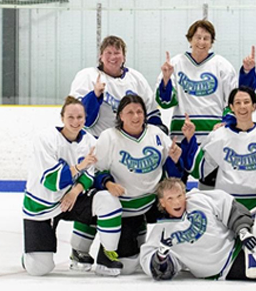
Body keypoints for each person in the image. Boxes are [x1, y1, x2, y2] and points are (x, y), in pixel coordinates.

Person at [69, 94, 192, 275]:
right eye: (130, 112)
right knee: (126, 266)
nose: (136, 117)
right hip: (122, 208)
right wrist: (108, 183)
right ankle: (83, 245)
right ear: (120, 116)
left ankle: (180, 251)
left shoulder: (156, 134)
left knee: (183, 209)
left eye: (139, 112)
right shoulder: (109, 137)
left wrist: (176, 158)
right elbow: (95, 171)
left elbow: (174, 174)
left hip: (151, 203)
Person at [22, 96, 123, 276]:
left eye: (80, 117)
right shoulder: (45, 139)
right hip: (41, 206)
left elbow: (90, 175)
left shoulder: (90, 141)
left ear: (85, 118)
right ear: (62, 118)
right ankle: (29, 256)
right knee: (40, 268)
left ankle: (102, 256)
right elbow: (52, 182)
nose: (75, 122)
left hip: (71, 200)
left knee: (107, 200)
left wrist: (75, 191)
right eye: (70, 117)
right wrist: (80, 166)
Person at [155, 19, 237, 186]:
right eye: (197, 37)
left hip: (211, 138)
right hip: (181, 136)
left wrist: (226, 123)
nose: (201, 42)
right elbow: (164, 102)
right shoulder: (175, 64)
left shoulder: (222, 66)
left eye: (206, 38)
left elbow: (234, 102)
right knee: (175, 186)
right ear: (190, 39)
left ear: (211, 42)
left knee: (211, 189)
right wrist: (166, 78)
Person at [183, 86, 256, 210]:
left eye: (246, 102)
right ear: (231, 107)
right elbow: (198, 170)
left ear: (254, 106)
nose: (242, 106)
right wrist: (190, 139)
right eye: (238, 103)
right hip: (227, 207)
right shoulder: (218, 136)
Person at [140, 178, 256, 281]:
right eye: (170, 198)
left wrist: (243, 231)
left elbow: (232, 209)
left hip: (241, 246)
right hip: (226, 269)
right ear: (162, 202)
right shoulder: (160, 232)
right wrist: (161, 255)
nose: (176, 202)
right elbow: (159, 271)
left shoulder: (200, 200)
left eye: (179, 196)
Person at [70, 35, 164, 138]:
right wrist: (94, 95)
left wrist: (157, 130)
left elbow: (150, 110)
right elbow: (81, 119)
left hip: (129, 143)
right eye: (108, 53)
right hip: (97, 141)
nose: (113, 57)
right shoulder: (87, 76)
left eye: (117, 53)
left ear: (124, 57)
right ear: (100, 56)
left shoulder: (136, 78)